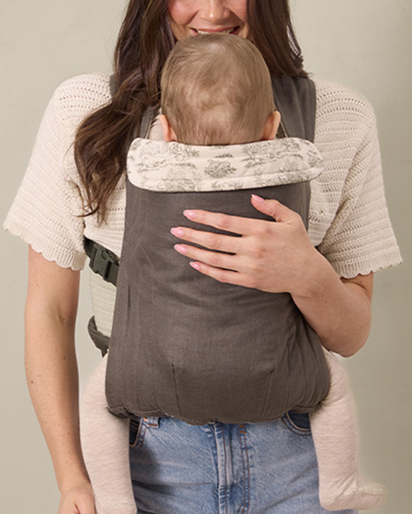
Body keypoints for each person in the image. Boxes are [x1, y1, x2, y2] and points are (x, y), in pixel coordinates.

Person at [3, 1, 401, 513]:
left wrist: (307, 274)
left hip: (298, 459)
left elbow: (352, 335)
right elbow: (49, 311)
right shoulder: (85, 110)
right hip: (144, 461)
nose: (212, 10)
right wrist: (73, 478)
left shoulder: (341, 116)